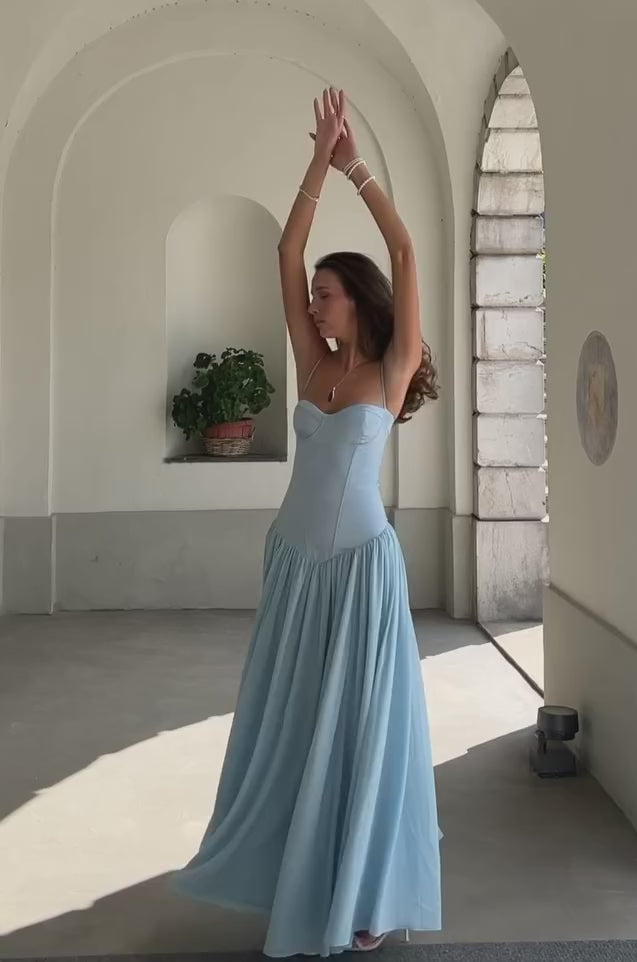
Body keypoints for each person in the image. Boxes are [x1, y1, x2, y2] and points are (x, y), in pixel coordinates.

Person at [173, 87, 442, 958]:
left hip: (361, 569)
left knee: (360, 729)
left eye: (327, 295)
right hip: (294, 564)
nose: (316, 304)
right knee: (293, 728)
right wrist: (314, 164)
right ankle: (294, 872)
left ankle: (367, 894)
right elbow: (286, 249)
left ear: (357, 301)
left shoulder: (391, 370)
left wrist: (356, 166)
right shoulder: (312, 363)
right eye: (314, 296)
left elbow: (404, 247)